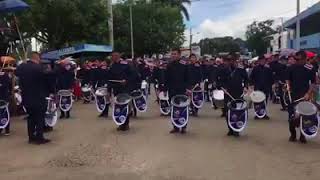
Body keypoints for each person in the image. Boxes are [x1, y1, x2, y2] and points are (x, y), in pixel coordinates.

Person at [16, 52, 51, 144]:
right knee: (40, 117)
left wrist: (23, 63)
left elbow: (17, 72)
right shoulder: (39, 68)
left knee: (30, 118)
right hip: (38, 97)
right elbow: (46, 80)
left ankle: (31, 137)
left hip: (26, 97)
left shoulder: (22, 67)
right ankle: (40, 137)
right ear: (36, 58)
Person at [286, 51, 316, 144]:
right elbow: (288, 80)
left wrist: (308, 93)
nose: (296, 61)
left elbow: (313, 83)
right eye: (295, 59)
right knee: (292, 117)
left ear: (304, 58)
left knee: (304, 116)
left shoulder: (310, 68)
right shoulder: (291, 68)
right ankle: (293, 134)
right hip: (293, 95)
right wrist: (287, 86)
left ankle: (303, 135)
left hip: (305, 96)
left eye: (298, 59)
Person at [216, 54, 248, 137]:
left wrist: (245, 87)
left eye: (232, 60)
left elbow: (247, 79)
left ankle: (236, 128)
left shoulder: (240, 69)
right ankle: (230, 128)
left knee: (238, 111)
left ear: (235, 61)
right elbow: (218, 80)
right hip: (227, 93)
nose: (231, 62)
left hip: (238, 93)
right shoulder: (222, 69)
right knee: (228, 111)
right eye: (228, 60)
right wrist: (222, 87)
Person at [165, 48, 189, 134]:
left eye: (175, 54)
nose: (173, 55)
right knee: (173, 108)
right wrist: (165, 89)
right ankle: (175, 126)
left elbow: (187, 77)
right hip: (172, 90)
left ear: (179, 54)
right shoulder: (169, 65)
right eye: (172, 54)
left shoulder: (184, 64)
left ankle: (183, 126)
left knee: (183, 108)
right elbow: (166, 78)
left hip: (182, 90)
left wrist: (188, 88)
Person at [108, 52, 134, 131]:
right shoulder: (112, 66)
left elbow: (133, 75)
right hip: (116, 89)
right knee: (118, 107)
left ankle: (126, 124)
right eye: (113, 56)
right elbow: (109, 79)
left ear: (119, 56)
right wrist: (109, 89)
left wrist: (126, 80)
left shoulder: (126, 64)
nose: (114, 57)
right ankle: (121, 123)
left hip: (125, 88)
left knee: (126, 106)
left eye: (116, 55)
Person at [0, 67, 12, 136]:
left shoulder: (5, 75)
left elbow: (8, 85)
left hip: (4, 97)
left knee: (5, 113)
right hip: (4, 97)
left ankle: (7, 129)